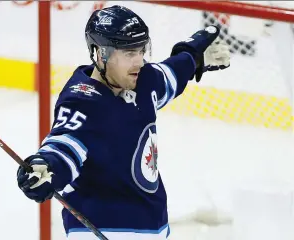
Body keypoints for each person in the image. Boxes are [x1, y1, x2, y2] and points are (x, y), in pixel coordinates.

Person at [17, 5, 230, 240]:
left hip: (152, 229)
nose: (139, 61)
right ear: (101, 53)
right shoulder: (82, 101)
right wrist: (47, 166)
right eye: (129, 53)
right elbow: (64, 144)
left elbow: (171, 74)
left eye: (141, 50)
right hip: (101, 232)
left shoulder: (144, 80)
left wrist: (192, 57)